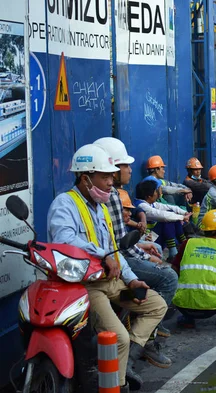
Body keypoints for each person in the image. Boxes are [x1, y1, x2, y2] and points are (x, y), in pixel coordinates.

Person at [47, 144, 167, 392]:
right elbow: (64, 240)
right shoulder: (64, 205)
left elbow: (114, 249)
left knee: (157, 305)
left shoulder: (100, 208)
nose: (111, 182)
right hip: (88, 287)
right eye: (105, 177)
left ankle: (123, 363)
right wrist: (104, 256)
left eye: (112, 176)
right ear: (85, 178)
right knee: (118, 338)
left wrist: (132, 279)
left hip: (113, 282)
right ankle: (117, 385)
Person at [95, 138, 177, 341]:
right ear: (112, 168)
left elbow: (117, 240)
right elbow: (119, 244)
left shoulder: (112, 194)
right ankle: (148, 335)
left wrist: (142, 246)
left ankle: (141, 320)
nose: (130, 170)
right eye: (125, 165)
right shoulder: (111, 196)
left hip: (116, 257)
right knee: (168, 277)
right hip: (111, 262)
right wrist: (146, 257)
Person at [172, 209, 216, 329]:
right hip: (212, 307)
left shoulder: (188, 243)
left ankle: (188, 320)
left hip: (183, 306)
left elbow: (174, 268)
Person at [135, 179, 191, 259]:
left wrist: (183, 213)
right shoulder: (142, 206)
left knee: (171, 214)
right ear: (149, 196)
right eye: (155, 191)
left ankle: (183, 245)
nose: (157, 193)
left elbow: (168, 207)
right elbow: (163, 215)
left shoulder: (151, 203)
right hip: (146, 239)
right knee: (167, 220)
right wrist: (182, 217)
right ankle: (173, 253)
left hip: (152, 236)